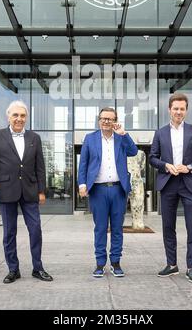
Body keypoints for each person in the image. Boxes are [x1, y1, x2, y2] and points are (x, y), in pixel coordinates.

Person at [0, 100, 53, 284]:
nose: (19, 119)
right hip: (5, 191)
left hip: (30, 191)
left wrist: (41, 190)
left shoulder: (34, 138)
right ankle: (13, 269)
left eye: (22, 115)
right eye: (15, 115)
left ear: (26, 118)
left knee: (36, 230)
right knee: (9, 232)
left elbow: (40, 167)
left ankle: (37, 268)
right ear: (8, 117)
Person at [149, 93, 192, 283]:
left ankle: (191, 267)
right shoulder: (160, 133)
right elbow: (152, 157)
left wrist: (190, 167)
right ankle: (172, 265)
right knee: (168, 227)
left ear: (186, 110)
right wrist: (166, 165)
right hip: (168, 183)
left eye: (182, 109)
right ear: (169, 109)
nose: (178, 112)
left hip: (189, 184)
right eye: (175, 108)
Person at [78, 107, 138, 278]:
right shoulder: (90, 139)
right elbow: (83, 164)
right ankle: (99, 264)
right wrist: (82, 184)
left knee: (117, 229)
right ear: (99, 120)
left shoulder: (120, 138)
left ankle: (116, 263)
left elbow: (133, 151)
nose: (106, 121)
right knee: (100, 228)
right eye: (103, 118)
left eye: (110, 119)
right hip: (98, 190)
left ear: (115, 121)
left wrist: (124, 134)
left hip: (119, 190)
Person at [127, 149, 146, 229]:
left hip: (136, 180)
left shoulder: (140, 153)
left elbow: (142, 166)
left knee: (138, 202)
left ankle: (138, 222)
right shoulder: (118, 151)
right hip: (123, 179)